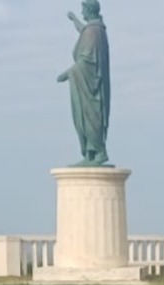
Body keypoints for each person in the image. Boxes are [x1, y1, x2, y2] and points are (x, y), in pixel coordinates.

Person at [56, 1, 111, 167]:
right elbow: (84, 30)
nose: (82, 12)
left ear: (89, 10)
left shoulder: (93, 31)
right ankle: (91, 153)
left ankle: (99, 152)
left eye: (83, 9)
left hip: (90, 85)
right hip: (90, 84)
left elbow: (87, 60)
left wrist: (68, 73)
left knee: (91, 118)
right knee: (89, 118)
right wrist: (74, 20)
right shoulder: (96, 29)